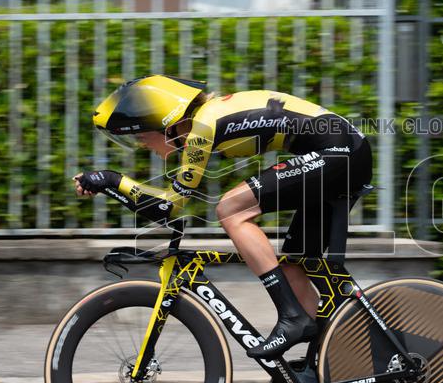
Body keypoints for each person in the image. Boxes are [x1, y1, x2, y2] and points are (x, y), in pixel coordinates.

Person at [74, 74, 372, 359]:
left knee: (231, 209)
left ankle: (293, 317)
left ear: (166, 123)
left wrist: (112, 181)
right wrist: (112, 184)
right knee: (294, 267)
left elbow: (169, 207)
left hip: (340, 151)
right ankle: (327, 371)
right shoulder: (207, 120)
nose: (142, 145)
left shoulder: (203, 126)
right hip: (343, 151)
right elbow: (169, 206)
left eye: (142, 136)